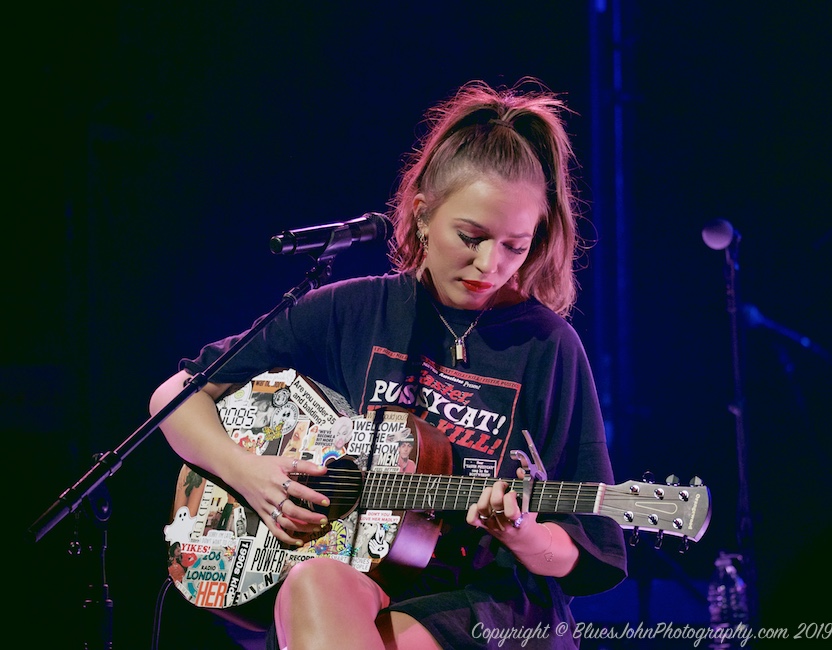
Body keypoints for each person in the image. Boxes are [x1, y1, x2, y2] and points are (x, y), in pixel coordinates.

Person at [150, 78, 627, 649]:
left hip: (489, 604)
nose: (489, 264)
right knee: (312, 581)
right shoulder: (353, 309)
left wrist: (523, 534)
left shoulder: (550, 347)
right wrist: (252, 476)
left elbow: (587, 546)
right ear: (423, 214)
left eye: (515, 245)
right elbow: (175, 395)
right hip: (366, 577)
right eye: (470, 236)